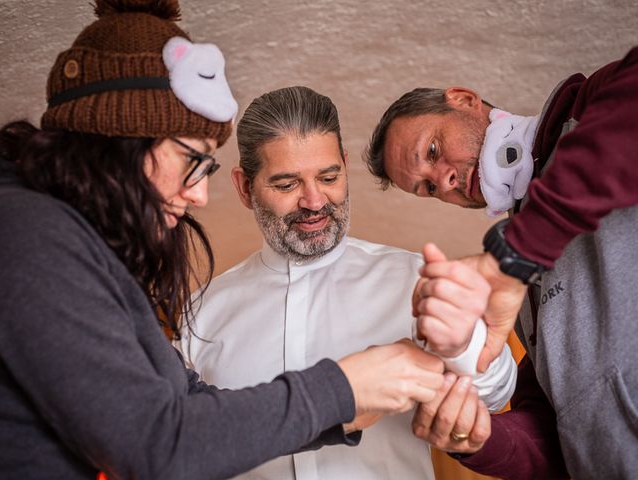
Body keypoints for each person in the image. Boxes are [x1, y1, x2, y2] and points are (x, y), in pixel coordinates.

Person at [0, 2, 451, 479]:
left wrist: (348, 404)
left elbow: (188, 406)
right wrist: (343, 389)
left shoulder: (67, 244)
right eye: (192, 160)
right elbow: (158, 442)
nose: (197, 194)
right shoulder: (29, 235)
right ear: (122, 140)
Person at [177, 85, 518, 480]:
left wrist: (461, 343)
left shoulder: (417, 278)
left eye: (328, 176)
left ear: (343, 164)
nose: (315, 200)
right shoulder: (201, 314)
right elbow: (180, 443)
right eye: (287, 185)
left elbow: (497, 393)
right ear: (244, 187)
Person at [364, 46, 638, 479]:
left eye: (433, 150)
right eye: (429, 189)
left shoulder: (589, 104)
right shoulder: (516, 291)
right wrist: (479, 437)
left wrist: (519, 252)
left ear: (466, 99)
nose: (445, 181)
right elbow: (557, 434)